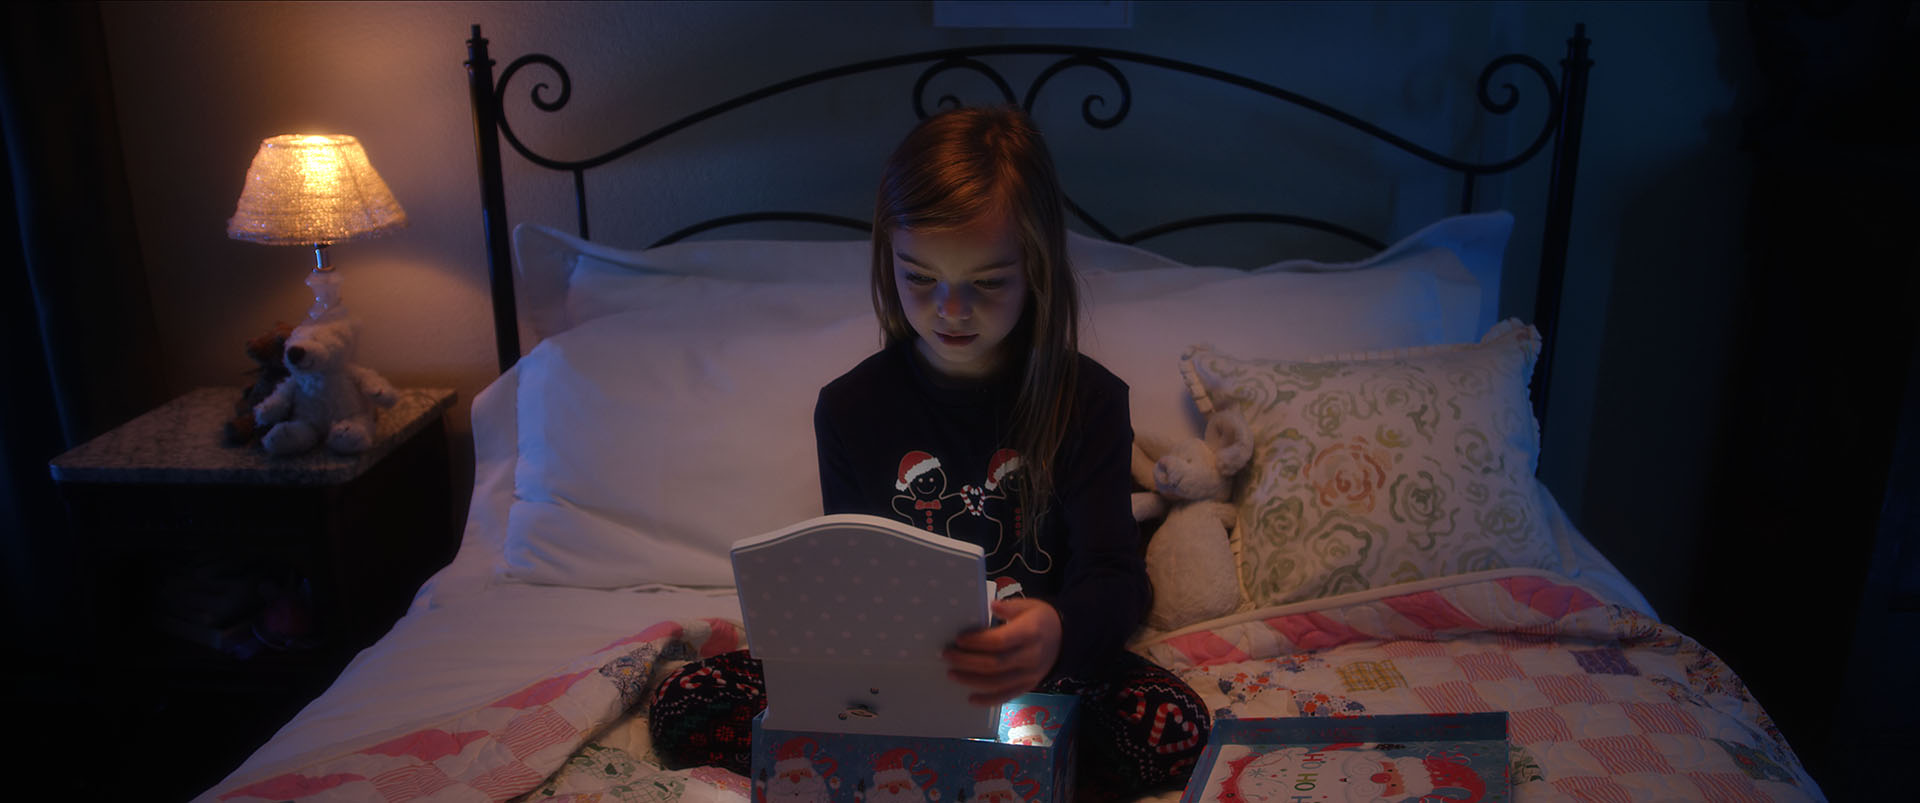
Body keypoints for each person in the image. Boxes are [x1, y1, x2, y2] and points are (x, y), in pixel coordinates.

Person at [649, 105, 1209, 799]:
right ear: (888, 259)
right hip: (891, 680)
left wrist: (1058, 630)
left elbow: (1117, 578)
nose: (950, 308)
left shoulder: (1087, 401)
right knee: (682, 705)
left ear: (1036, 269)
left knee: (1174, 725)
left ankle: (958, 767)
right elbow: (853, 578)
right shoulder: (851, 408)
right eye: (919, 277)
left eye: (988, 281)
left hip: (1040, 677)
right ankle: (962, 769)